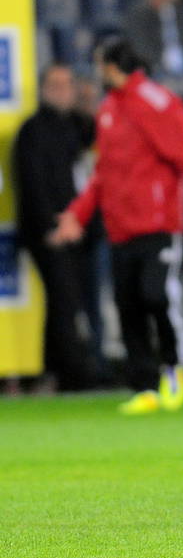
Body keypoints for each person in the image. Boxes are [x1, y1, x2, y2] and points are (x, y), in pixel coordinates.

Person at [48, 39, 183, 414]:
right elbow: (102, 175)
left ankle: (174, 366)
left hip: (159, 223)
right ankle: (144, 386)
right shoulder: (109, 109)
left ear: (111, 67)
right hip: (120, 226)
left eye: (99, 65)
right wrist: (77, 214)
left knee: (157, 295)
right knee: (128, 306)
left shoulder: (157, 103)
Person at [13, 65, 99, 391]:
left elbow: (96, 142)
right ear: (43, 89)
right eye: (56, 85)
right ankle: (72, 375)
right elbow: (33, 185)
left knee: (67, 300)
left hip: (79, 230)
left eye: (68, 85)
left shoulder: (75, 125)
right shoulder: (33, 130)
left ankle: (52, 369)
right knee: (64, 299)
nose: (63, 91)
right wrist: (50, 226)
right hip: (49, 232)